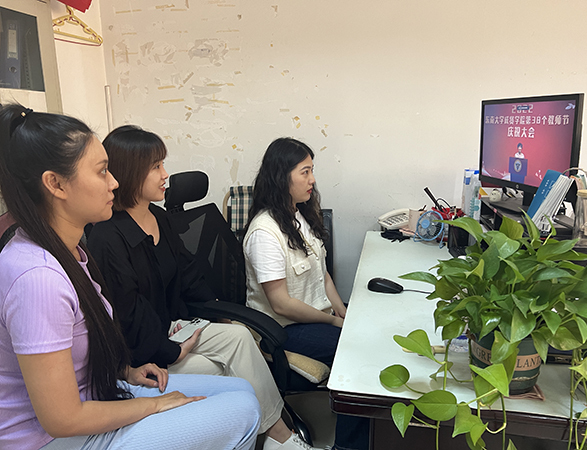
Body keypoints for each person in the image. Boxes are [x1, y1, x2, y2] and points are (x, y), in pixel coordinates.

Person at [0, 104, 261, 450]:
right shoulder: (37, 277)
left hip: (99, 394)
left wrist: (125, 372)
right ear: (56, 184)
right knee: (243, 410)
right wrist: (152, 406)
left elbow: (79, 353)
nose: (114, 182)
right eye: (102, 171)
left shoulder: (72, 252)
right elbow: (62, 419)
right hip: (51, 439)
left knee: (242, 390)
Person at [87, 125, 322, 450]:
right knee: (224, 369)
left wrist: (220, 314)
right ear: (130, 172)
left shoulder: (159, 218)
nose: (165, 175)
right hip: (142, 351)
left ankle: (275, 434)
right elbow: (128, 313)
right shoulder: (107, 236)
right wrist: (171, 350)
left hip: (171, 328)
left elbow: (189, 274)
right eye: (156, 167)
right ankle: (278, 436)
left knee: (239, 336)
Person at [243, 137, 369, 450]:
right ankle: (348, 445)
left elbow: (321, 273)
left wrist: (342, 311)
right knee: (359, 351)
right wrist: (334, 323)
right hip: (283, 329)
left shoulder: (298, 215)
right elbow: (281, 304)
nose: (312, 180)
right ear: (282, 177)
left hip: (314, 316)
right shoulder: (265, 232)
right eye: (305, 172)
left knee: (370, 326)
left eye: (312, 170)